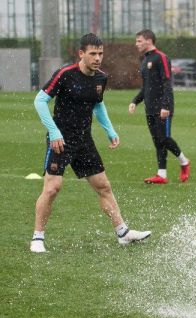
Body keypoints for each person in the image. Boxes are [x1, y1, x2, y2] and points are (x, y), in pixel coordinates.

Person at [30, 33, 151, 253]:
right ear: (81, 54)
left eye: (100, 53)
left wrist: (110, 130)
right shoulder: (65, 74)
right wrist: (54, 132)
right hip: (60, 140)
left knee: (104, 187)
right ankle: (38, 237)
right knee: (53, 188)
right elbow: (40, 101)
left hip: (84, 141)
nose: (97, 58)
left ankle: (122, 233)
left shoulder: (100, 78)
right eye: (93, 53)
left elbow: (98, 105)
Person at [129, 29, 191, 185]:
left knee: (164, 138)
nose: (136, 44)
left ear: (149, 41)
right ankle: (161, 175)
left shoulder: (161, 58)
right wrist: (135, 101)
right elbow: (146, 87)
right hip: (149, 108)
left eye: (139, 41)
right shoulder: (144, 61)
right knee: (157, 140)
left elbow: (167, 83)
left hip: (163, 108)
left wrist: (166, 106)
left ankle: (184, 161)